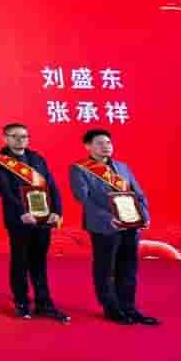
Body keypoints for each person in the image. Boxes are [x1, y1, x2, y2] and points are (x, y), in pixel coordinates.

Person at [69, 129, 158, 326]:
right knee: (106, 268)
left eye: (108, 142)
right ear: (88, 146)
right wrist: (109, 217)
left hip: (131, 224)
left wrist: (144, 216)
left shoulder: (122, 167)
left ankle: (129, 307)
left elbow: (138, 194)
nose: (106, 146)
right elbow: (83, 199)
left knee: (128, 267)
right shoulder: (79, 169)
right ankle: (111, 308)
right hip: (104, 225)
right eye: (100, 143)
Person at [0, 123, 69, 322]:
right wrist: (22, 213)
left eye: (24, 136)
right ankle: (22, 302)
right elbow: (4, 191)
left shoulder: (37, 158)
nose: (20, 140)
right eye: (14, 136)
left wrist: (57, 211)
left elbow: (52, 186)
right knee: (20, 261)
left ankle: (44, 303)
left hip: (43, 217)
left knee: (39, 262)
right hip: (19, 220)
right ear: (5, 138)